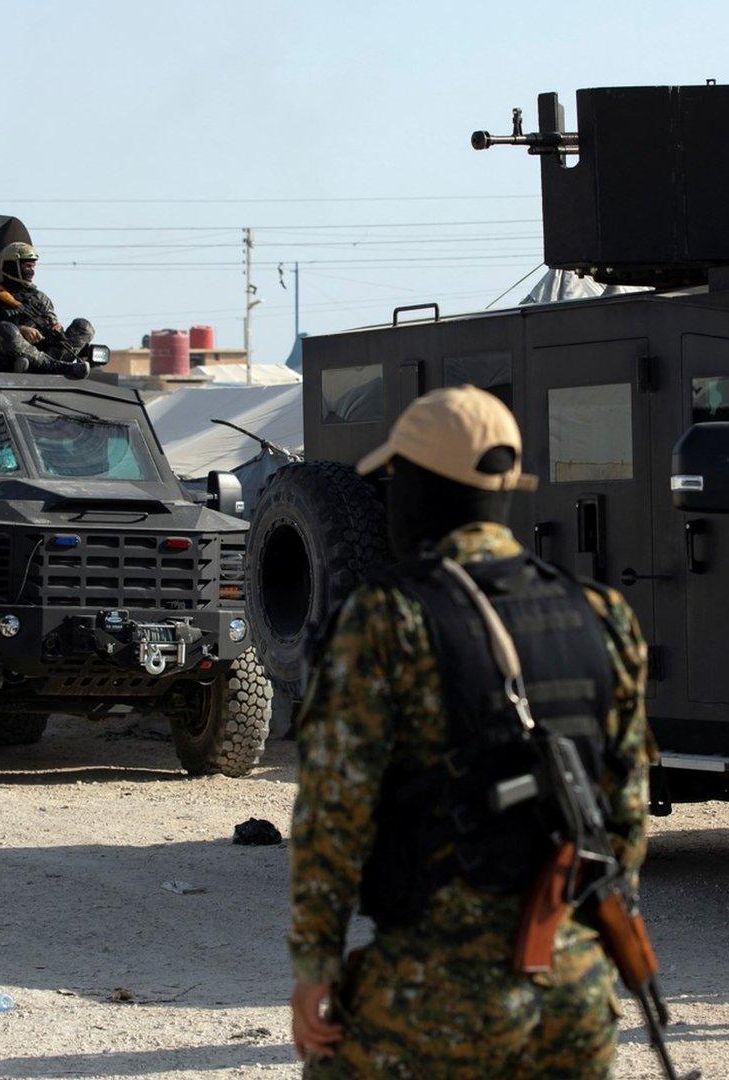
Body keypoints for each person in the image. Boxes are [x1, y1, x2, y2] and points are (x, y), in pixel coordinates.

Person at [288, 386, 652, 1077]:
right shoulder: (603, 616)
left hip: (435, 997)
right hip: (573, 990)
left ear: (417, 489)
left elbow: (334, 816)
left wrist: (315, 968)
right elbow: (625, 819)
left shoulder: (386, 619)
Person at [0, 241, 93, 378]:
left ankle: (55, 365)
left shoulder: (40, 298)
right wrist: (21, 330)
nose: (32, 271)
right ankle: (54, 366)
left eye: (33, 266)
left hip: (45, 351)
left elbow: (52, 323)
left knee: (84, 326)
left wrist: (56, 328)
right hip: (9, 354)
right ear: (12, 266)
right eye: (27, 266)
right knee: (7, 329)